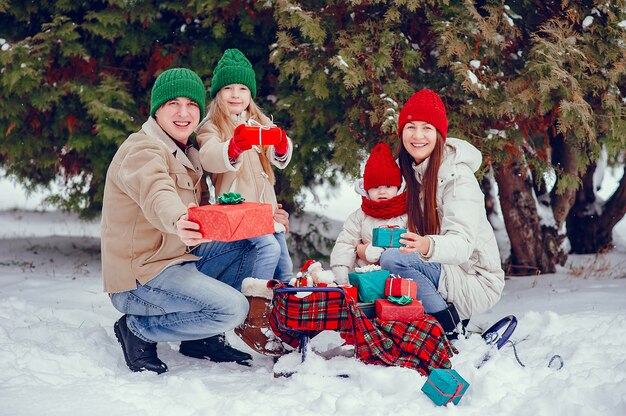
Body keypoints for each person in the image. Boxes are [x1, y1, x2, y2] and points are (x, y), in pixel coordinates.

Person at [101, 67, 290, 374]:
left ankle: (200, 338)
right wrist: (178, 219)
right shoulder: (142, 149)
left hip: (178, 260)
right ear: (157, 110)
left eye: (191, 105)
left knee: (253, 243)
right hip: (142, 276)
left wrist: (264, 217)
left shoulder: (187, 151)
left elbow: (208, 214)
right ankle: (137, 329)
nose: (183, 112)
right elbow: (156, 193)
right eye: (173, 104)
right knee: (233, 308)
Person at [379, 89, 505, 338]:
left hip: (475, 277)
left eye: (426, 128)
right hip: (440, 268)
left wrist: (425, 244)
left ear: (439, 134)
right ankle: (413, 326)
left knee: (394, 260)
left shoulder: (458, 178)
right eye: (410, 127)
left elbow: (462, 245)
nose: (417, 136)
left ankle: (449, 330)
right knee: (380, 262)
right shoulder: (408, 172)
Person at [196, 48, 294, 284]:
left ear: (250, 94)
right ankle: (255, 307)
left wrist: (281, 145)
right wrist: (232, 148)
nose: (235, 94)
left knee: (285, 267)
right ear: (218, 93)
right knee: (268, 250)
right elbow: (208, 155)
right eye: (228, 88)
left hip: (267, 213)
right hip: (240, 212)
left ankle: (282, 309)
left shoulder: (260, 122)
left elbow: (276, 154)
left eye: (242, 88)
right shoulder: (212, 126)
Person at [330, 142, 408, 284]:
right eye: (376, 187)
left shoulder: (406, 215)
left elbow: (417, 244)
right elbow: (345, 244)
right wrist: (342, 276)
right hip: (367, 279)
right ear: (366, 189)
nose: (382, 191)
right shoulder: (359, 217)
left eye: (388, 186)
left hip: (400, 280)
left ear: (398, 187)